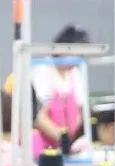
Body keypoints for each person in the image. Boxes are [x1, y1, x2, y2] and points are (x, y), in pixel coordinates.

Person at [31, 25, 90, 154]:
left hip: (68, 145)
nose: (76, 59)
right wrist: (62, 138)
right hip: (43, 147)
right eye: (74, 53)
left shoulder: (75, 73)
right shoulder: (44, 70)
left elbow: (80, 110)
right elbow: (38, 116)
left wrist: (72, 140)